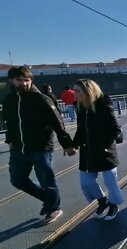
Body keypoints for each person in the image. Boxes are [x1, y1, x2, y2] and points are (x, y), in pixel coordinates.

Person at [3, 66, 76, 225]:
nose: (24, 83)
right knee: (17, 180)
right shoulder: (9, 100)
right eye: (20, 80)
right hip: (18, 149)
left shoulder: (41, 99)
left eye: (27, 80)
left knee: (46, 180)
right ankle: (49, 199)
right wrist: (9, 141)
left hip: (40, 147)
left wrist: (67, 144)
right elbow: (10, 124)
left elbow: (57, 123)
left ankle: (54, 208)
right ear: (12, 81)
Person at [73, 79, 124, 220]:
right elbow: (81, 130)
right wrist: (74, 144)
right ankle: (102, 201)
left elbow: (115, 129)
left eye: (77, 91)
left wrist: (104, 145)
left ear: (87, 91)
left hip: (104, 151)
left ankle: (114, 205)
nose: (74, 94)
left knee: (110, 181)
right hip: (87, 151)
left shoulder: (103, 105)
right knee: (86, 182)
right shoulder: (80, 107)